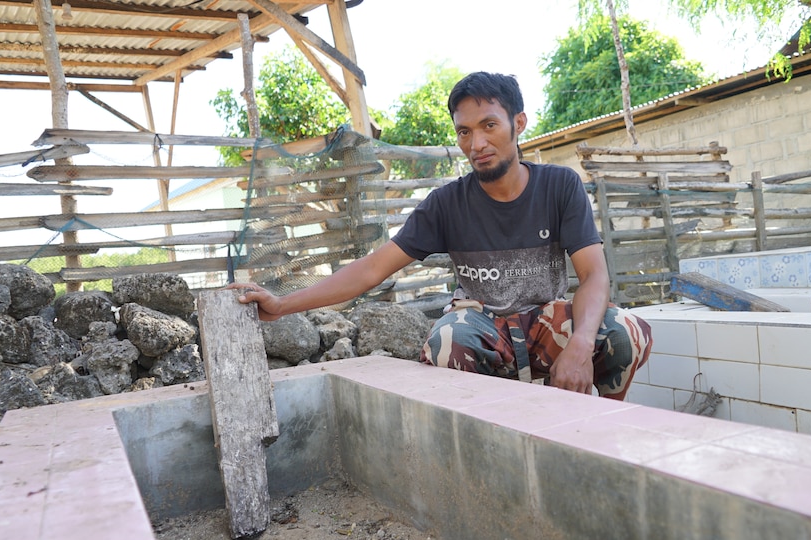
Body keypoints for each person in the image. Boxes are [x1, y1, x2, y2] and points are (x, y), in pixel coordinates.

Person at [229, 71, 652, 400]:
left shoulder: (560, 186)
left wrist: (579, 344)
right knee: (448, 339)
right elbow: (372, 269)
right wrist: (282, 304)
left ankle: (598, 426)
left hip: (546, 323)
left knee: (622, 330)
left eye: (489, 125)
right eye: (464, 131)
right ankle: (487, 437)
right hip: (483, 327)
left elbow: (594, 275)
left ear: (518, 123)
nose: (477, 143)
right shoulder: (446, 204)